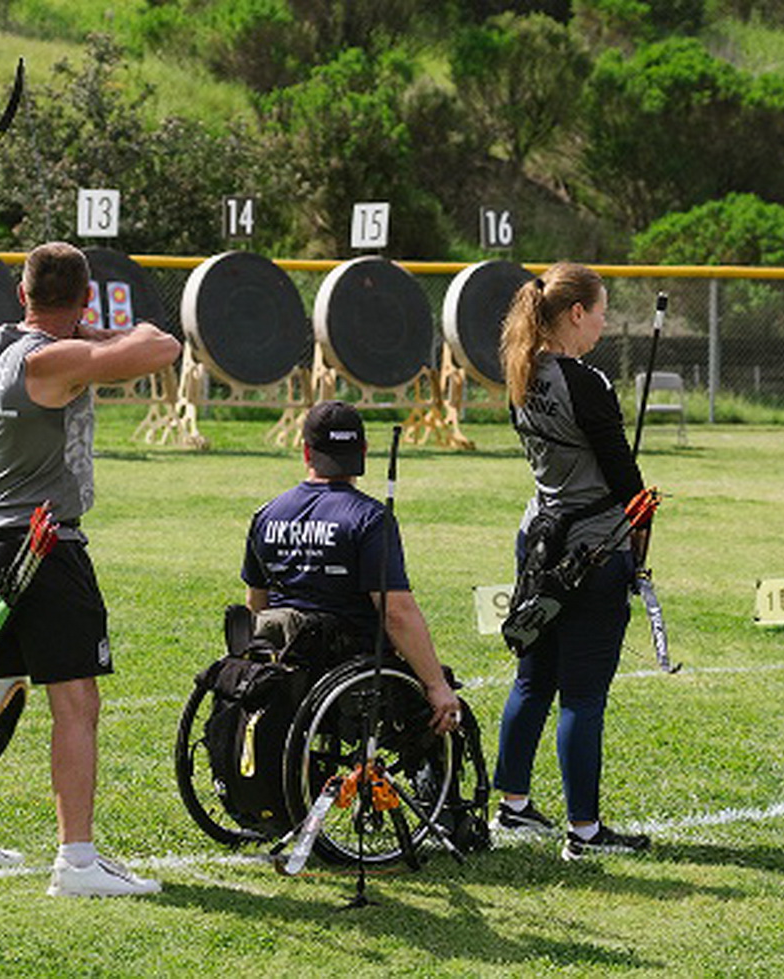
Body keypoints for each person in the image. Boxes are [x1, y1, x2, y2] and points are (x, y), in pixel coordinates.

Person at [0, 241, 181, 896]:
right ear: (85, 299)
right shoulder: (55, 359)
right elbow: (160, 347)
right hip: (44, 545)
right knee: (77, 702)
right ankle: (76, 860)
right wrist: (90, 334)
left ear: (22, 293)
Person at [491, 261, 651, 861]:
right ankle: (585, 833)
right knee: (583, 696)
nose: (603, 327)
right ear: (575, 314)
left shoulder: (521, 370)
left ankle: (513, 809)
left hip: (538, 536)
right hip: (592, 548)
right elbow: (624, 479)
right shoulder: (586, 382)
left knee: (533, 681)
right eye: (601, 314)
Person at [241, 399, 460, 735]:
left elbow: (257, 605)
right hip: (351, 662)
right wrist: (435, 684)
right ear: (363, 451)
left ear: (306, 453)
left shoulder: (266, 514)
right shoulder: (369, 519)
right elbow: (396, 613)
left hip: (285, 658)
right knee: (439, 693)